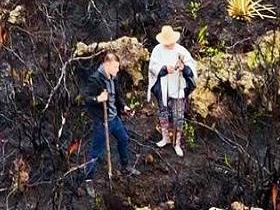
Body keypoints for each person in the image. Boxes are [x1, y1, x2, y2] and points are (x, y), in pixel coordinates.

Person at [81, 52, 139, 198]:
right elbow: (86, 98)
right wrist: (98, 98)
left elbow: (116, 95)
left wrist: (123, 107)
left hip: (114, 119)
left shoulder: (113, 77)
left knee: (124, 139)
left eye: (118, 67)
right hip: (102, 122)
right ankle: (88, 180)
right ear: (106, 65)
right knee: (96, 151)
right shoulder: (95, 80)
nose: (117, 70)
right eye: (115, 67)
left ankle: (125, 166)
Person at [147, 25, 197, 157]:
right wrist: (164, 69)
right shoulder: (157, 50)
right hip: (163, 88)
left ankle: (177, 143)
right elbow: (152, 67)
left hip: (178, 88)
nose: (169, 44)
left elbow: (192, 69)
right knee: (163, 112)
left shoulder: (182, 51)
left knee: (178, 117)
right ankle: (165, 138)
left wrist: (183, 68)